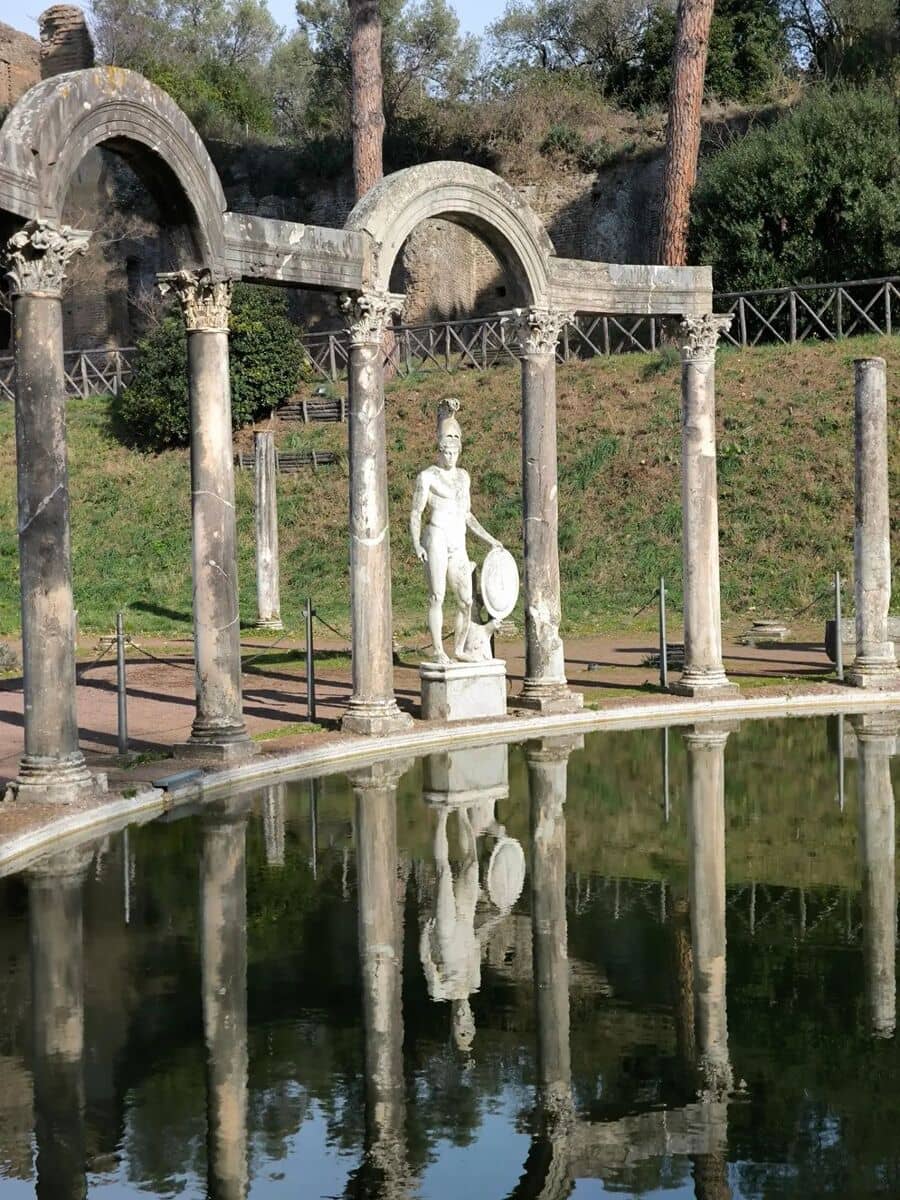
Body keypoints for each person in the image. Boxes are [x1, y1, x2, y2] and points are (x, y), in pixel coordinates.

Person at [410, 398, 502, 663]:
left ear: (459, 451)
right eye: (446, 452)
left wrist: (490, 539)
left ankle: (459, 650)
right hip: (436, 535)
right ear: (438, 451)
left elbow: (468, 515)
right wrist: (417, 544)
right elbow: (416, 513)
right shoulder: (427, 476)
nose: (450, 457)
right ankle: (439, 650)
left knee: (465, 600)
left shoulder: (464, 477)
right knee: (437, 595)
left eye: (455, 452)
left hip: (457, 539)